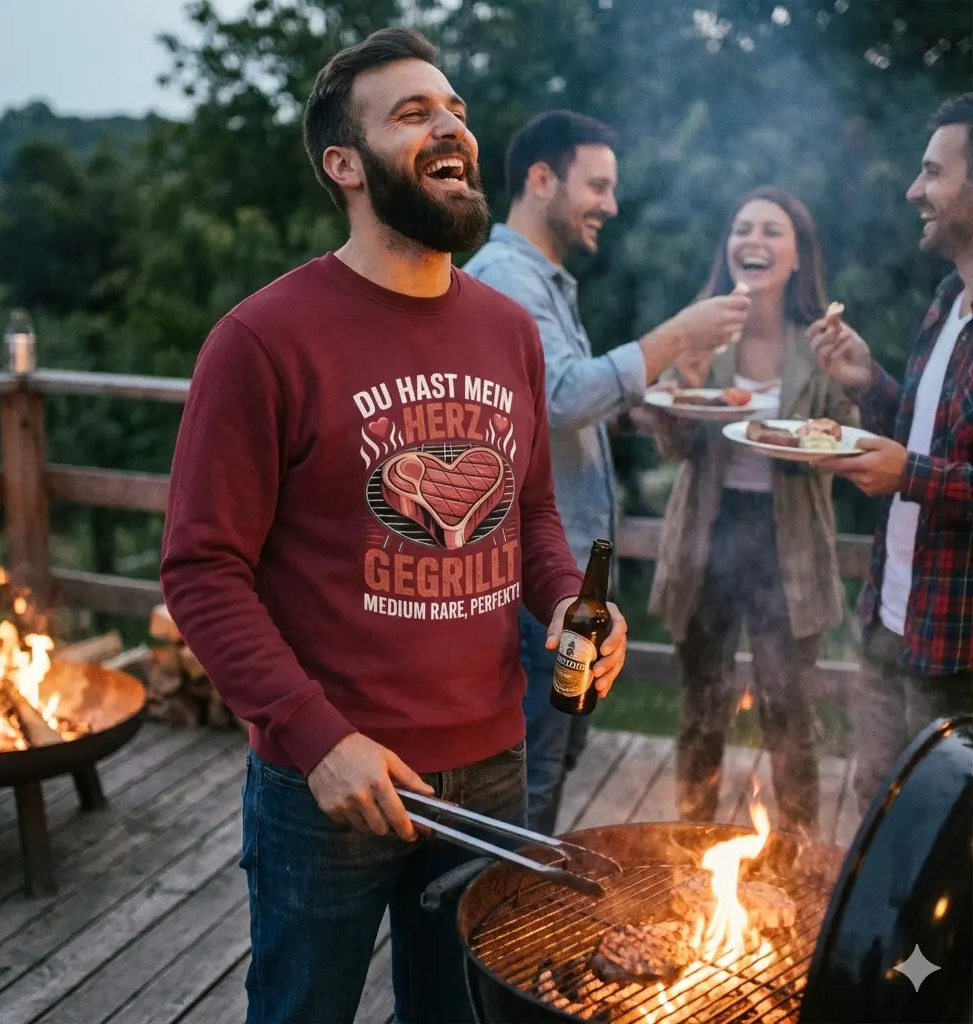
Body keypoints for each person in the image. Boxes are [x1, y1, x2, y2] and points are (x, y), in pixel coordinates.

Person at [159, 28, 629, 1024]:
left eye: (455, 109)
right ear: (345, 164)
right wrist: (315, 737)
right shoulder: (261, 340)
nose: (451, 126)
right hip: (330, 779)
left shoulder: (507, 329)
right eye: (414, 114)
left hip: (492, 763)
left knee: (462, 1012)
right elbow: (201, 569)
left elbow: (531, 511)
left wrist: (563, 602)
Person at [464, 109, 749, 834]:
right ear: (541, 180)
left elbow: (549, 408)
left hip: (567, 581)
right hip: (533, 585)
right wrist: (675, 335)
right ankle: (504, 903)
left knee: (553, 762)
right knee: (528, 781)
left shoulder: (543, 281)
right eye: (597, 186)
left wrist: (640, 410)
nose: (611, 206)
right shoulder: (506, 277)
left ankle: (517, 890)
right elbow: (562, 396)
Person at [645, 187, 856, 836]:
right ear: (728, 247)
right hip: (707, 535)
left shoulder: (821, 343)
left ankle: (800, 859)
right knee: (702, 710)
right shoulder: (701, 329)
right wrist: (685, 381)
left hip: (789, 542)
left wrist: (835, 403)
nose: (753, 241)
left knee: (789, 713)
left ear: (797, 255)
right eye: (742, 229)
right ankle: (689, 853)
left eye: (771, 230)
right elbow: (675, 444)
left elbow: (842, 438)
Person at [811, 93, 973, 809]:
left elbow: (918, 469)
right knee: (875, 820)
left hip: (958, 652)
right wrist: (868, 382)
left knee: (941, 842)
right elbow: (925, 442)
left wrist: (909, 474)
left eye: (933, 172)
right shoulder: (947, 299)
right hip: (889, 622)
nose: (913, 190)